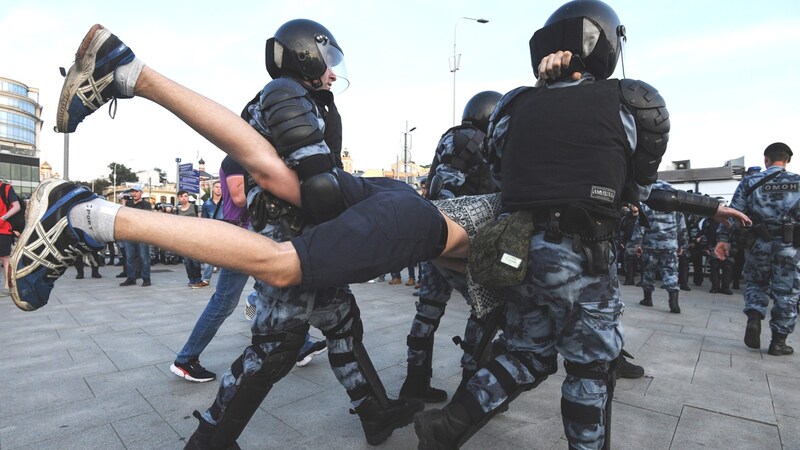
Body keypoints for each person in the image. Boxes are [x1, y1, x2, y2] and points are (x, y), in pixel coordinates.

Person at [9, 21, 748, 448]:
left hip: (407, 210)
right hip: (409, 220)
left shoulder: (519, 164)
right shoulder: (539, 228)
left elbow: (554, 161)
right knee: (279, 264)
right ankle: (85, 213)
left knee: (279, 175)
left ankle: (131, 70)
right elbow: (619, 175)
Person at [413, 2, 748, 449]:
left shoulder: (512, 106)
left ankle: (446, 425)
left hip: (519, 254)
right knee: (590, 369)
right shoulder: (631, 102)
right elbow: (641, 189)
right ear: (605, 41)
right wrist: (708, 207)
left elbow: (502, 173)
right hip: (584, 255)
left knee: (525, 356)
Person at [399, 90, 502, 404]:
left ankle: (415, 383)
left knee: (428, 312)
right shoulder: (469, 140)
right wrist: (458, 248)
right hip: (454, 242)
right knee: (486, 309)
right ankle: (470, 391)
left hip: (437, 241)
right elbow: (445, 194)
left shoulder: (464, 140)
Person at [170, 157, 254, 383]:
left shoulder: (251, 157)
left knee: (280, 288)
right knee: (224, 301)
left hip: (253, 235)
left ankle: (301, 344)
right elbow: (238, 197)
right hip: (239, 236)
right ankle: (186, 359)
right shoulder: (236, 159)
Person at [716, 142, 799, 356]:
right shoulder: (798, 182)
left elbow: (732, 213)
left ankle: (754, 317)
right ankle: (778, 341)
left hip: (758, 244)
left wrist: (723, 239)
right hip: (789, 247)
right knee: (787, 292)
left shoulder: (750, 182)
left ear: (766, 159)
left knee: (756, 283)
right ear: (787, 160)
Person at [634, 180, 689, 313]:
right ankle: (674, 302)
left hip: (650, 245)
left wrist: (636, 244)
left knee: (648, 272)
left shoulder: (647, 206)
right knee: (671, 272)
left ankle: (648, 299)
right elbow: (682, 228)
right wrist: (682, 244)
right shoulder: (675, 207)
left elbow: (640, 226)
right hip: (670, 245)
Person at [119, 184, 151, 287]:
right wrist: (123, 203)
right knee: (129, 257)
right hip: (129, 234)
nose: (134, 193)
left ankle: (146, 279)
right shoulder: (128, 203)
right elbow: (122, 216)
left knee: (143, 257)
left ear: (141, 193)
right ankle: (131, 278)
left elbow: (144, 218)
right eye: (132, 192)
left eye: (136, 191)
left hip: (142, 234)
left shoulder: (146, 204)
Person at [175, 189, 205, 288]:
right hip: (183, 239)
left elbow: (201, 222)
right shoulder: (177, 211)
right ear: (178, 198)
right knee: (187, 261)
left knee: (195, 261)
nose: (184, 198)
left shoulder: (195, 208)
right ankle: (191, 279)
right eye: (182, 196)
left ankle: (198, 279)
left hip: (195, 237)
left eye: (185, 196)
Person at [200, 180, 223, 285]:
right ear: (213, 189)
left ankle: (224, 281)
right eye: (217, 187)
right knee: (208, 256)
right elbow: (204, 220)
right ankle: (206, 279)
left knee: (226, 257)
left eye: (221, 187)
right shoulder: (207, 204)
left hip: (225, 233)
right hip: (211, 233)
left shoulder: (227, 202)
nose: (219, 189)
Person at [0, 180, 21, 295]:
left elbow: (16, 206)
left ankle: (7, 286)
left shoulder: (6, 188)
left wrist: (3, 218)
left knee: (5, 258)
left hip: (3, 228)